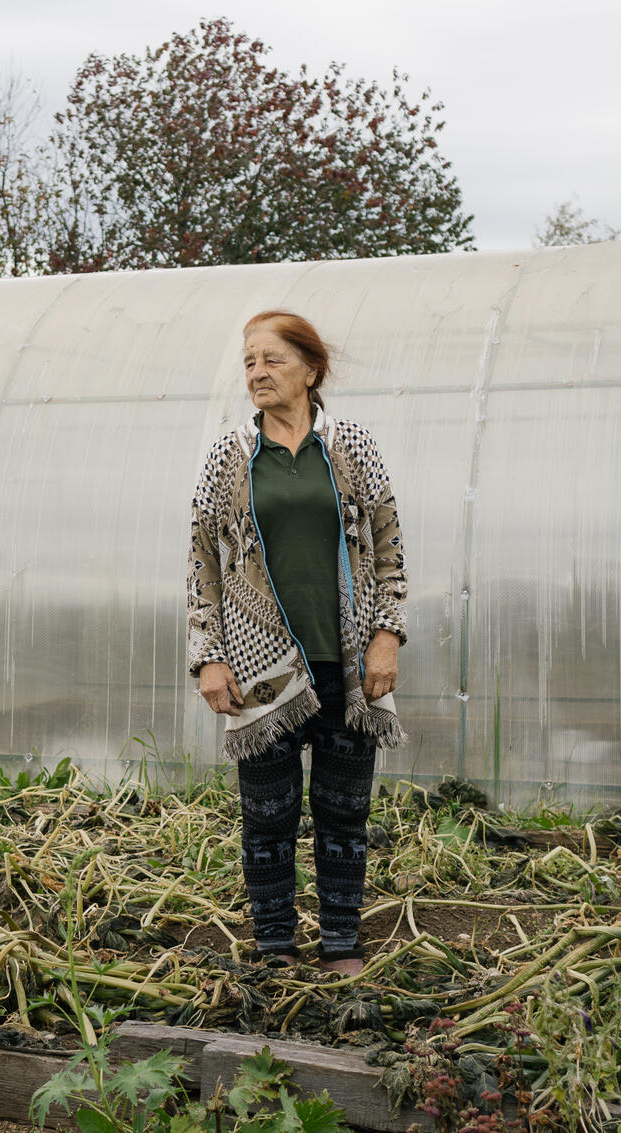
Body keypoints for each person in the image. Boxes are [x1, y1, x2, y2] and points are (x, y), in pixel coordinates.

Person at [186, 309, 408, 977]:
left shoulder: (353, 447)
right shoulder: (228, 457)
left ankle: (341, 944)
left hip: (344, 662)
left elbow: (391, 546)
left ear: (311, 371)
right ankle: (275, 946)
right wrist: (210, 656)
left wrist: (387, 636)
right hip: (258, 667)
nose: (257, 372)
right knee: (269, 819)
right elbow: (202, 563)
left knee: (344, 816)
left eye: (272, 360)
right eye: (250, 361)